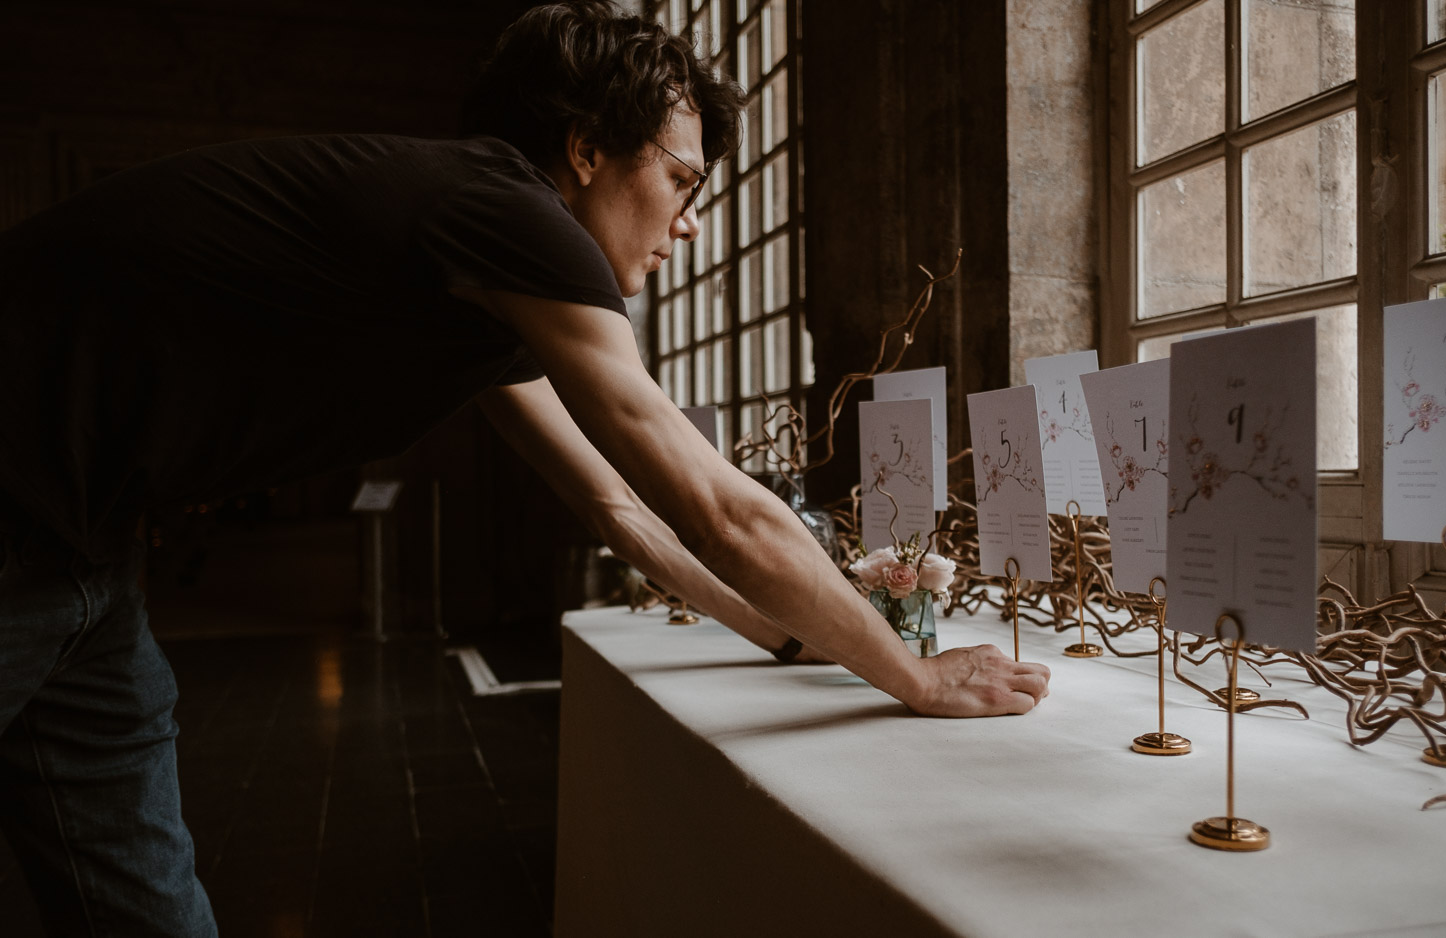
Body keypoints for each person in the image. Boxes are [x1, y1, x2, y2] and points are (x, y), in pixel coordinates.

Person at [0, 2, 1051, 933]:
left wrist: (790, 632)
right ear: (587, 149)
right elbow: (720, 510)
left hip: (78, 542)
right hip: (16, 506)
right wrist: (909, 673)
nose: (689, 225)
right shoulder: (506, 210)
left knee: (137, 894)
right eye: (679, 180)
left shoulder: (474, 276)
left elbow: (621, 508)